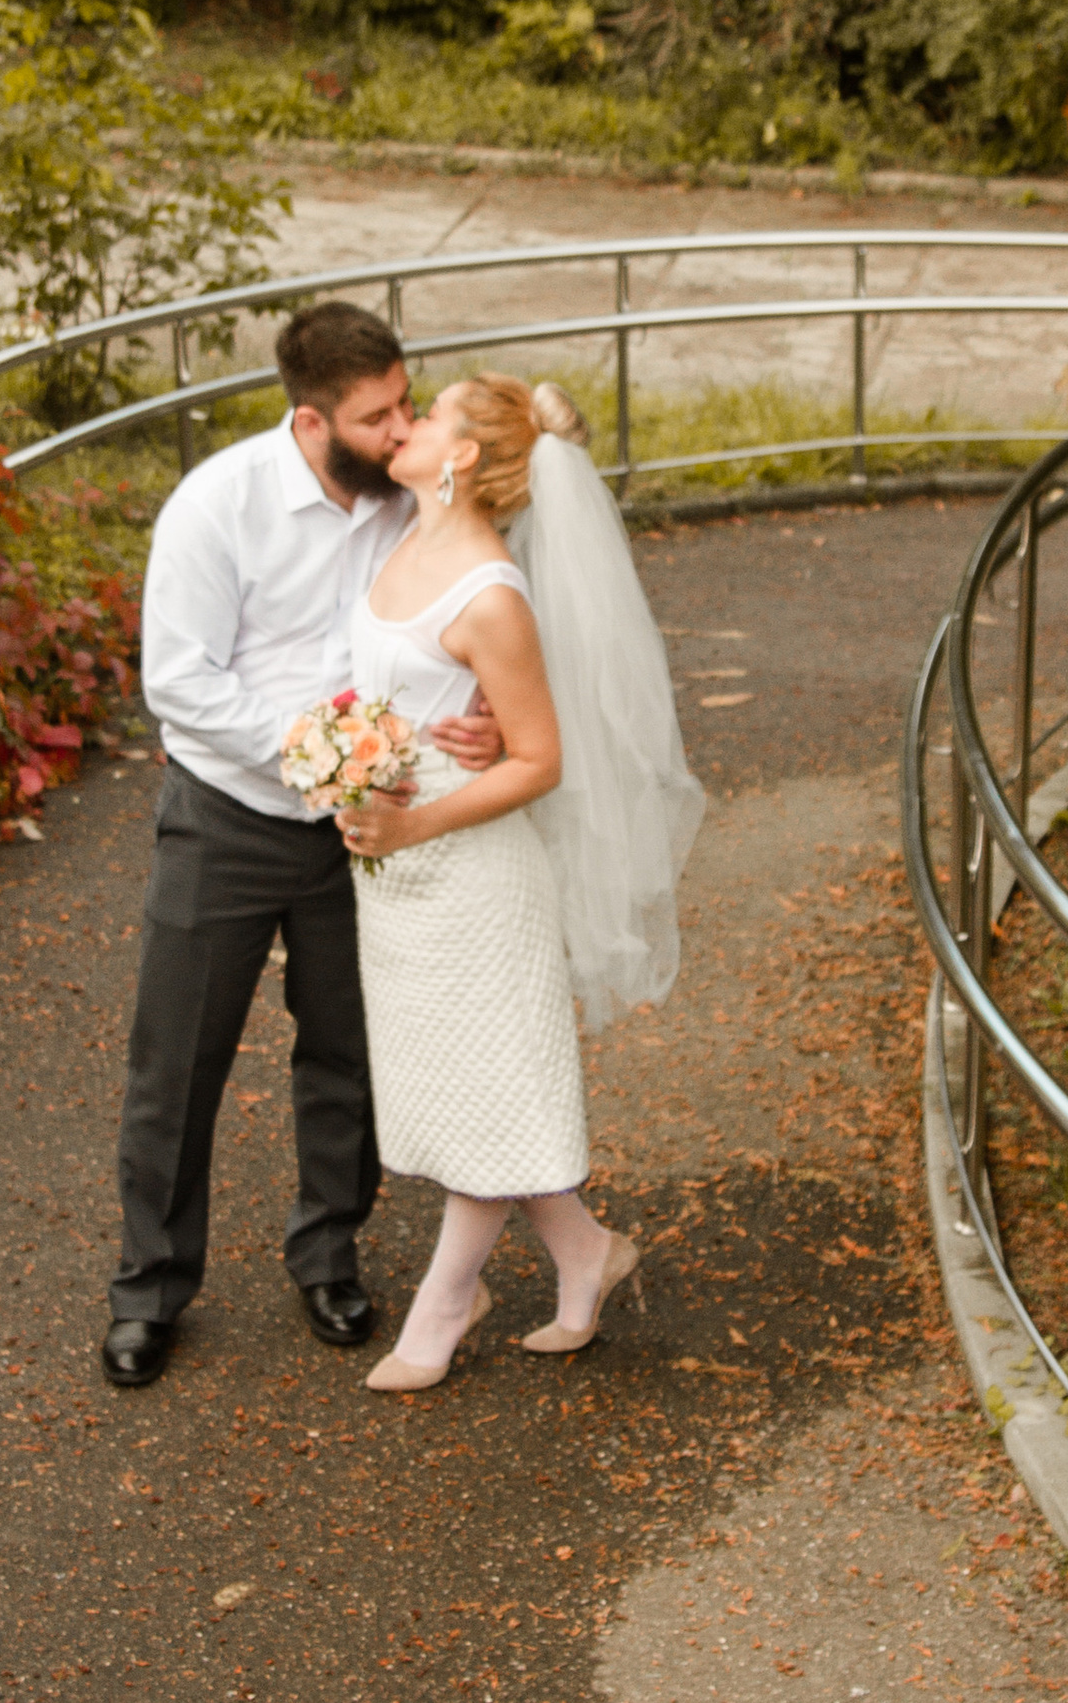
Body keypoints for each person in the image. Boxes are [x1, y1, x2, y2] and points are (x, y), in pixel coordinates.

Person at [103, 301, 499, 1392]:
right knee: (175, 1064)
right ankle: (149, 1290)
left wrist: (486, 717)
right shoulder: (215, 507)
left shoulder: (409, 500)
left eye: (407, 403)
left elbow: (477, 618)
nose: (401, 428)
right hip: (223, 821)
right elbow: (178, 684)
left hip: (362, 831)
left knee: (346, 1055)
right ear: (312, 420)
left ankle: (328, 1255)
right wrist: (316, 750)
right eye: (378, 415)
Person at [339, 374, 704, 1396]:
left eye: (427, 415)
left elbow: (539, 760)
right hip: (397, 870)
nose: (404, 425)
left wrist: (411, 815)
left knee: (494, 1086)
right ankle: (583, 1251)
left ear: (460, 457)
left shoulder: (491, 592)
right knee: (462, 1084)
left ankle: (445, 1304)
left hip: (473, 870)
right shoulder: (404, 541)